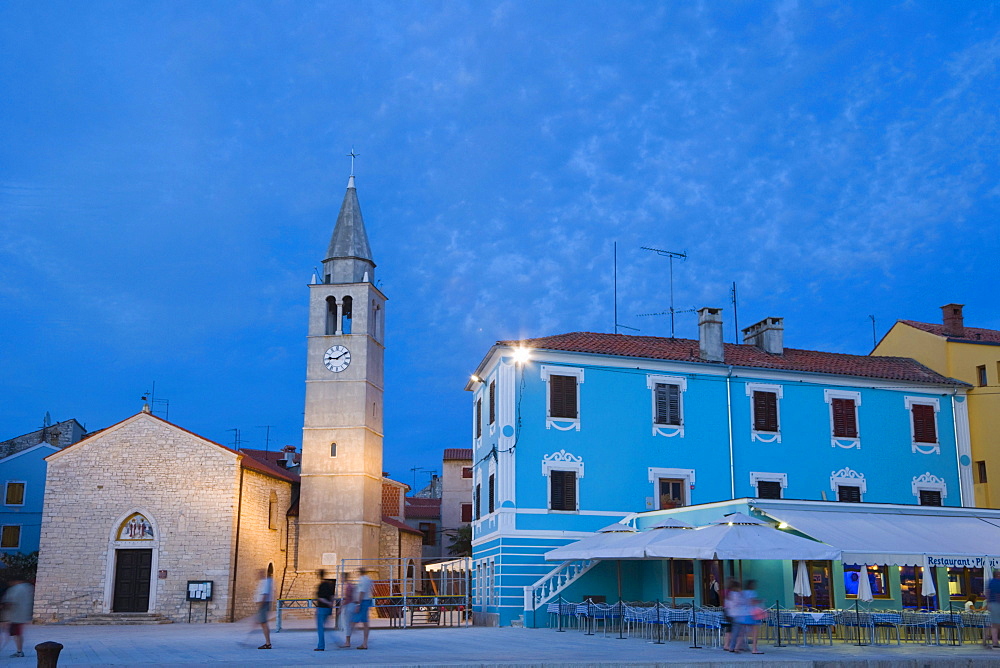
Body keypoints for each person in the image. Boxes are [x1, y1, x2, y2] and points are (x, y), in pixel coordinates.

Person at [1, 577, 34, 658]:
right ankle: (19, 650)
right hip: (21, 615)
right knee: (17, 634)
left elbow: (10, 602)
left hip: (13, 615)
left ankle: (19, 651)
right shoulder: (28, 587)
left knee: (13, 634)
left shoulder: (15, 589)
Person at [314, 570, 336, 651]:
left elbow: (320, 598)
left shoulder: (320, 586)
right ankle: (336, 640)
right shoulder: (329, 585)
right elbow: (332, 596)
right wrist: (331, 604)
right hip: (328, 609)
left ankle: (321, 646)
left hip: (322, 609)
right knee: (327, 627)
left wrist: (327, 602)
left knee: (321, 628)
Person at [353, 567, 374, 650]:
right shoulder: (368, 579)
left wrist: (358, 603)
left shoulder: (362, 579)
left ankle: (351, 639)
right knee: (364, 623)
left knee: (356, 621)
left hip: (363, 602)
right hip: (367, 600)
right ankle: (364, 642)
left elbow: (362, 592)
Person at [742, 579, 764, 655]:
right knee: (755, 631)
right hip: (752, 613)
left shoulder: (743, 592)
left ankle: (740, 645)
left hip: (744, 613)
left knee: (743, 630)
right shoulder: (752, 592)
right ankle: (754, 648)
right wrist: (760, 601)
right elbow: (752, 601)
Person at [254, 568, 273, 650]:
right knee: (263, 623)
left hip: (264, 604)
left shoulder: (265, 582)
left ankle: (268, 643)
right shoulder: (264, 582)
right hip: (263, 604)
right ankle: (268, 642)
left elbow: (265, 595)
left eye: (260, 573)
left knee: (264, 623)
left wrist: (261, 606)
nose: (258, 574)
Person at [723, 579, 744, 652]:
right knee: (737, 631)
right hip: (735, 614)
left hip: (729, 613)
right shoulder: (736, 594)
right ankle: (735, 646)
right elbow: (740, 603)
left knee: (731, 629)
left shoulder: (729, 593)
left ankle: (731, 645)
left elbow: (727, 604)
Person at [337, 573, 357, 648]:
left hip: (348, 606)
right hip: (351, 605)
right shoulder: (351, 585)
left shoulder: (348, 587)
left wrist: (341, 608)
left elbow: (347, 599)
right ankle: (347, 640)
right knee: (348, 624)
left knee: (346, 624)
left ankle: (347, 642)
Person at [986, 569, 1000, 648]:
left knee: (994, 624)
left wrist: (988, 603)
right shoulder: (997, 582)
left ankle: (995, 641)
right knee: (995, 624)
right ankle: (995, 641)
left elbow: (987, 592)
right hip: (997, 604)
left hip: (993, 604)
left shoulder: (991, 582)